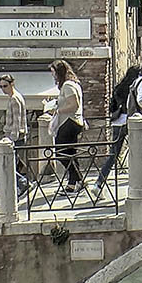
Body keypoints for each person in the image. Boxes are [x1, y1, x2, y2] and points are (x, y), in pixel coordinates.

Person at [95, 65, 141, 200]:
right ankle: (139, 183)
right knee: (138, 152)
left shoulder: (118, 87)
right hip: (131, 122)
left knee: (113, 155)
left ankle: (98, 183)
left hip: (117, 123)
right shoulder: (135, 87)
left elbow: (112, 107)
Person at [48, 60, 87, 194]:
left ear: (59, 72)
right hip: (75, 122)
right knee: (70, 153)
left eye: (53, 72)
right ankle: (73, 184)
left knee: (60, 153)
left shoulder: (67, 86)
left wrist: (58, 110)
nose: (52, 76)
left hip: (69, 122)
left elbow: (73, 105)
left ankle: (79, 179)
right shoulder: (74, 84)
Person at [0, 74, 31, 196]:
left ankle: (23, 183)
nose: (3, 89)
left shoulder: (14, 99)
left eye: (5, 86)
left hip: (16, 137)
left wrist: (11, 139)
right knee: (9, 164)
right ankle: (21, 185)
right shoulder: (15, 97)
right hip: (16, 136)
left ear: (12, 84)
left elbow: (16, 121)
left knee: (7, 165)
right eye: (0, 86)